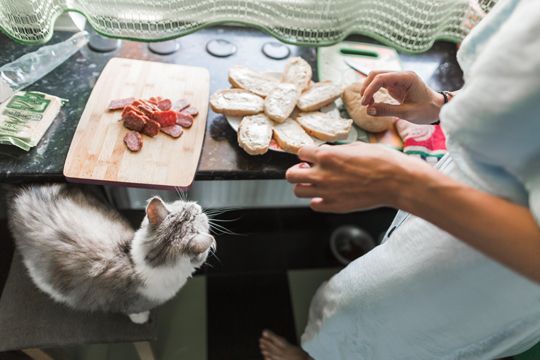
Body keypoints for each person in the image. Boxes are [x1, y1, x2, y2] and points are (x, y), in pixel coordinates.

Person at [259, 0, 540, 358]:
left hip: (497, 274)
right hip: (449, 207)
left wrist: (406, 184)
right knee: (354, 316)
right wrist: (442, 105)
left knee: (383, 333)